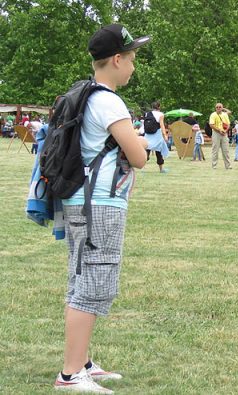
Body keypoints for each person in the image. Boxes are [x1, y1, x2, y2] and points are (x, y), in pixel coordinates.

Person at [52, 24, 150, 394]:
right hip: (100, 204)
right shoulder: (108, 100)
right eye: (132, 58)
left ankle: (82, 362)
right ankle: (71, 373)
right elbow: (139, 157)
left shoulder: (85, 94)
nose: (133, 66)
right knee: (93, 283)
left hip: (81, 200)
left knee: (83, 279)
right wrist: (138, 141)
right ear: (116, 60)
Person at [143, 101, 170, 173]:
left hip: (148, 135)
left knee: (147, 150)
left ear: (152, 107)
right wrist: (165, 136)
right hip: (157, 135)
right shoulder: (161, 114)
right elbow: (162, 125)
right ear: (159, 107)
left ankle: (142, 168)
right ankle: (161, 169)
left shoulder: (147, 114)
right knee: (159, 152)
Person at [209, 103, 232, 169]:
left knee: (226, 150)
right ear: (215, 108)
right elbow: (211, 125)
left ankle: (228, 165)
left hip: (224, 134)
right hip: (216, 133)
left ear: (222, 108)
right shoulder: (213, 115)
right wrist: (219, 130)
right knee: (215, 150)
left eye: (220, 107)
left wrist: (225, 131)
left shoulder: (225, 114)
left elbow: (228, 124)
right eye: (217, 107)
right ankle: (214, 165)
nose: (218, 108)